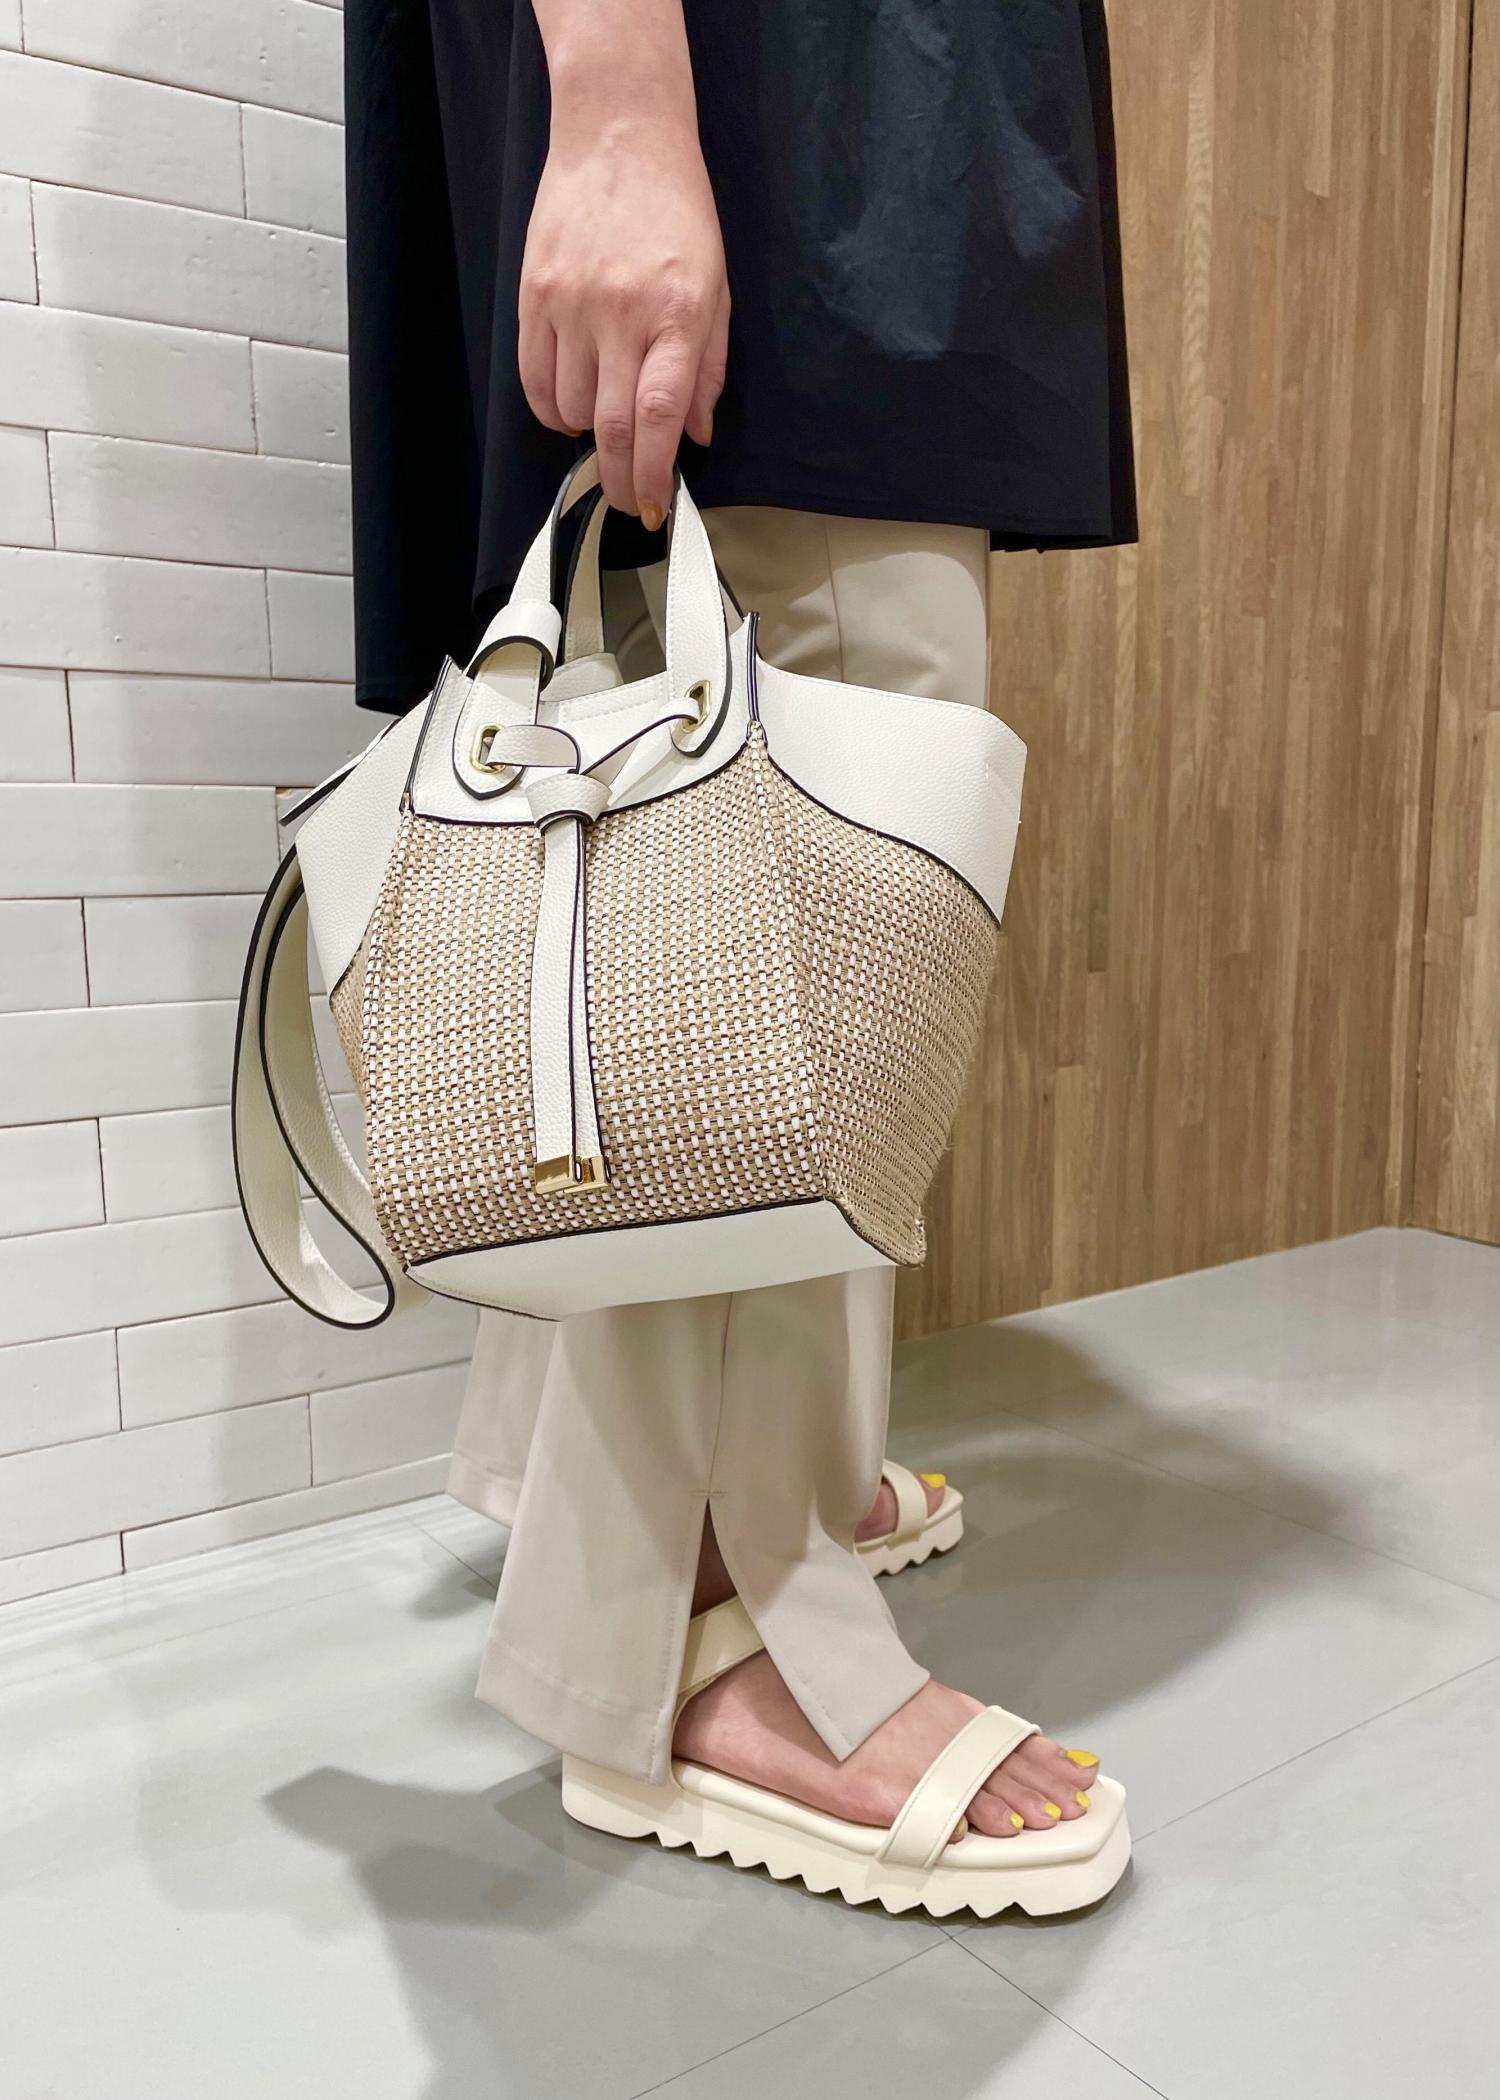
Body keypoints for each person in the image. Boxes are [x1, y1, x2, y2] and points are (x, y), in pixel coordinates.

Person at [343, 0, 1137, 1914]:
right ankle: (716, 1617)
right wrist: (622, 102)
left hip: (823, 99)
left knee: (660, 795)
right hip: (795, 100)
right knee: (816, 757)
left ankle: (619, 1487)